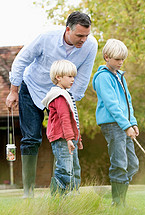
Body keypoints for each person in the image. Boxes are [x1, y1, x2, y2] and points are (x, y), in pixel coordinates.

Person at [5, 11, 98, 198]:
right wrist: (14, 90)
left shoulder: (90, 45)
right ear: (67, 30)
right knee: (31, 138)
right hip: (31, 88)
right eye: (79, 36)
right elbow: (21, 60)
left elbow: (83, 76)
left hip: (60, 93)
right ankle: (28, 190)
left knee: (65, 136)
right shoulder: (46, 38)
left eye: (86, 36)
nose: (83, 40)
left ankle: (66, 188)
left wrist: (69, 100)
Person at [92, 39, 139, 207]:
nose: (120, 63)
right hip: (113, 125)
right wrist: (125, 126)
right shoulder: (103, 77)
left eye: (122, 59)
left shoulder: (120, 76)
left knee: (132, 164)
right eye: (117, 59)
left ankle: (119, 198)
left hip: (124, 124)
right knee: (119, 163)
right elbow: (112, 105)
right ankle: (118, 204)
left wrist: (132, 122)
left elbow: (128, 101)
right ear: (106, 57)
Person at [42, 60, 82, 195]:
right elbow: (64, 118)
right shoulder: (58, 96)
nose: (73, 80)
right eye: (69, 76)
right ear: (58, 77)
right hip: (62, 138)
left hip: (70, 138)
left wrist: (77, 138)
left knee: (75, 168)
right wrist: (70, 139)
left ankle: (73, 195)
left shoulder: (67, 94)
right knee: (65, 169)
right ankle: (58, 199)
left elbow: (73, 119)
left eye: (73, 76)